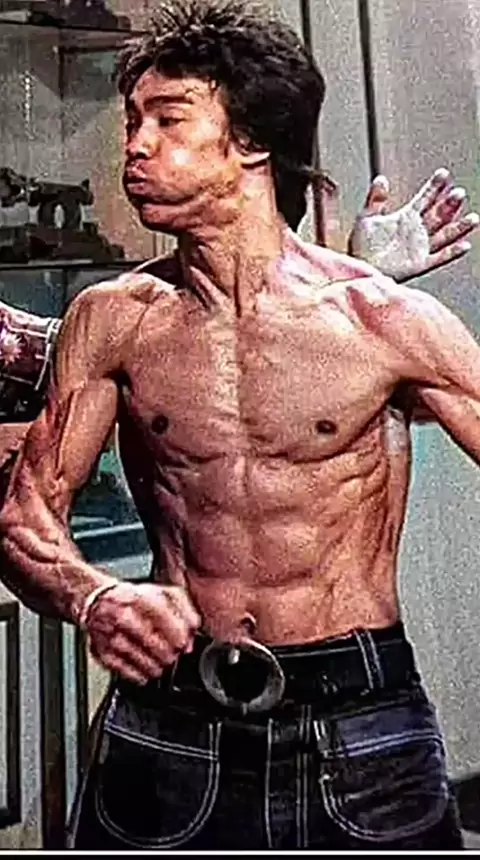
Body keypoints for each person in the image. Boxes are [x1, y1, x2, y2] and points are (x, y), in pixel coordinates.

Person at [0, 0, 479, 849]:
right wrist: (95, 595)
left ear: (251, 142)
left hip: (356, 716)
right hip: (171, 711)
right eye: (132, 122)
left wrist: (361, 280)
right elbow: (25, 516)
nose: (133, 146)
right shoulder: (112, 320)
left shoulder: (383, 322)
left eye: (167, 120)